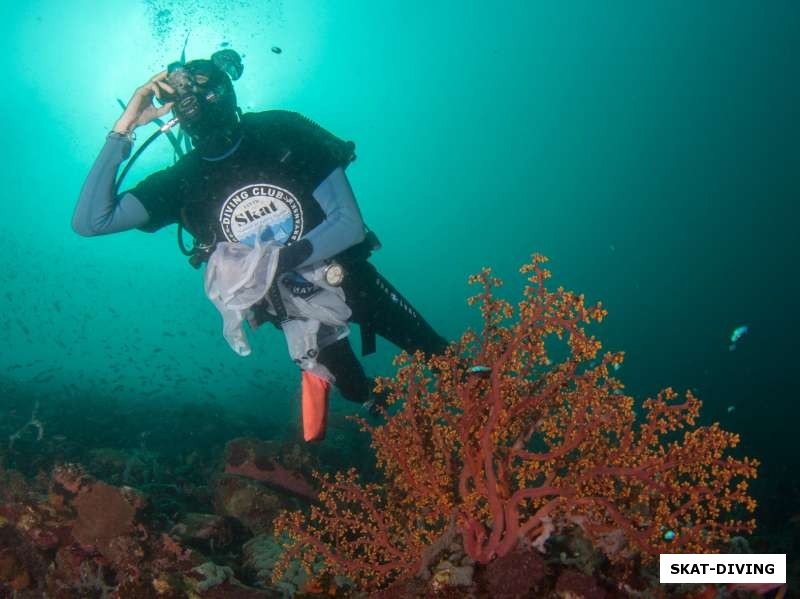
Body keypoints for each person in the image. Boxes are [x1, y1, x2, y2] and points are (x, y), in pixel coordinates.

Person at [73, 52, 447, 440]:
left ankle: (483, 402)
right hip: (292, 309)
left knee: (438, 353)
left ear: (227, 91)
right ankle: (385, 408)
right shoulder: (181, 182)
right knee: (353, 389)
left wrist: (275, 261)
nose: (197, 100)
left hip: (350, 278)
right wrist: (126, 126)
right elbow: (90, 222)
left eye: (207, 88)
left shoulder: (280, 134)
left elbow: (349, 225)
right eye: (187, 93)